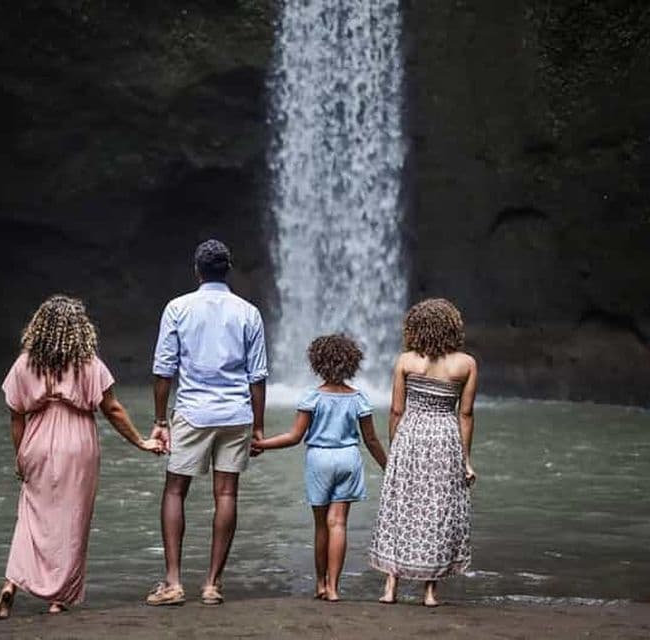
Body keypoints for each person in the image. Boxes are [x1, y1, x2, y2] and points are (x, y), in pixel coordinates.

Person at [0, 295, 162, 621]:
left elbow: (16, 417)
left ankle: (11, 583)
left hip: (36, 440)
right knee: (73, 520)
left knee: (30, 516)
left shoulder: (24, 364)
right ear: (80, 330)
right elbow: (112, 408)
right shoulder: (89, 363)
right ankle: (58, 600)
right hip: (78, 443)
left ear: (39, 326)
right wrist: (141, 442)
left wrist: (20, 457)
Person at [146, 239, 268, 606]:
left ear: (196, 270)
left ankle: (173, 582)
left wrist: (159, 421)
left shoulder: (178, 308)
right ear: (227, 270)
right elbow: (257, 377)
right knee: (227, 493)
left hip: (193, 411)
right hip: (236, 413)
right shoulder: (249, 312)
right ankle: (212, 585)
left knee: (174, 490)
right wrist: (258, 426)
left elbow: (163, 370)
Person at [253, 334, 387, 602]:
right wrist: (389, 467)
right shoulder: (359, 398)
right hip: (349, 458)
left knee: (321, 526)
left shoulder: (312, 397)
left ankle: (320, 584)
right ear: (352, 364)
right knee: (338, 523)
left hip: (319, 460)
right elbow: (371, 440)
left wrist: (262, 444)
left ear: (317, 364)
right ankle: (335, 588)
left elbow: (294, 437)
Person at [369, 298, 477, 607]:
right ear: (453, 328)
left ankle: (391, 587)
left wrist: (396, 447)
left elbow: (396, 409)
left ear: (415, 328)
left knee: (402, 507)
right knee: (437, 510)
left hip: (411, 436)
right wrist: (465, 459)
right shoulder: (466, 364)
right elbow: (465, 415)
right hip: (445, 438)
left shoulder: (405, 361)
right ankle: (430, 592)